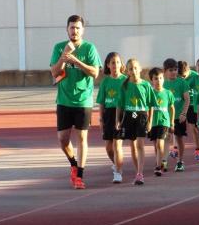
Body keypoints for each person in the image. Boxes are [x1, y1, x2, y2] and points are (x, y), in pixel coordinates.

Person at [49, 15, 101, 190]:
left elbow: (95, 73)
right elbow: (54, 73)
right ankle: (73, 162)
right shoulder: (59, 48)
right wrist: (64, 56)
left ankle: (80, 175)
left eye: (78, 28)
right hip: (64, 100)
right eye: (72, 27)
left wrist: (76, 61)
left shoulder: (89, 48)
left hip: (83, 101)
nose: (75, 31)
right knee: (62, 139)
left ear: (82, 30)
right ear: (67, 29)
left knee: (82, 138)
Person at [116, 58, 157, 185]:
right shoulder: (125, 85)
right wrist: (118, 120)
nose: (133, 71)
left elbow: (151, 105)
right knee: (132, 145)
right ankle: (137, 171)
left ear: (139, 69)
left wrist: (150, 121)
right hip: (129, 115)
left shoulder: (146, 85)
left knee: (140, 144)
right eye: (130, 69)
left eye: (135, 68)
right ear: (127, 71)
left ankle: (140, 173)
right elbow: (120, 105)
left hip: (141, 115)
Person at [96, 52, 126, 183]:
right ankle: (117, 163)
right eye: (112, 62)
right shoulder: (105, 82)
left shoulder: (125, 80)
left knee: (117, 144)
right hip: (108, 114)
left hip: (121, 113)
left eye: (118, 62)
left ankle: (118, 173)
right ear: (108, 65)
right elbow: (101, 102)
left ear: (121, 64)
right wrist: (101, 118)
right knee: (108, 147)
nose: (115, 65)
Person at [163, 58, 190, 172]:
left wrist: (184, 113)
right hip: (166, 117)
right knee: (166, 139)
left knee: (178, 139)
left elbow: (187, 99)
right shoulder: (163, 83)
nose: (173, 72)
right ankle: (163, 161)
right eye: (171, 70)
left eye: (175, 69)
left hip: (179, 116)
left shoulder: (182, 82)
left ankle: (180, 161)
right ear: (165, 71)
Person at [180, 58, 199, 162]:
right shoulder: (194, 77)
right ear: (196, 66)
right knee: (193, 128)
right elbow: (185, 85)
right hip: (194, 107)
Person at [148, 67, 175, 176]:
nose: (158, 81)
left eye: (160, 78)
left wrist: (172, 122)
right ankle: (161, 161)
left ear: (163, 79)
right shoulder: (150, 93)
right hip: (153, 122)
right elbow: (147, 108)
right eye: (155, 79)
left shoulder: (168, 93)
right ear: (152, 80)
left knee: (160, 143)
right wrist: (147, 122)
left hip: (164, 122)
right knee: (156, 145)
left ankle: (158, 167)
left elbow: (172, 108)